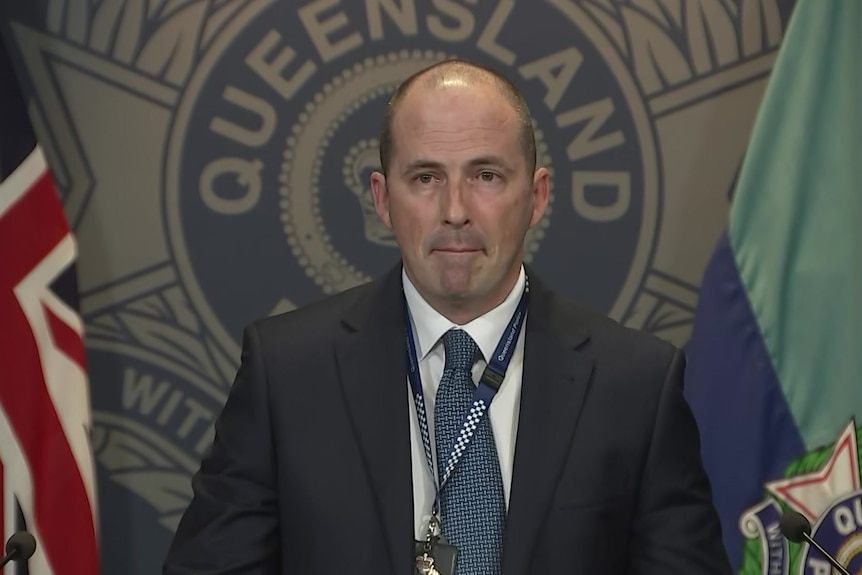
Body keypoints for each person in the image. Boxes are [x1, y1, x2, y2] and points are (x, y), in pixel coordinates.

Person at [164, 59, 731, 575]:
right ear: (383, 200)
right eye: (426, 178)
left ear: (536, 196)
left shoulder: (634, 385)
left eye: (486, 175)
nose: (455, 211)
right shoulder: (286, 373)